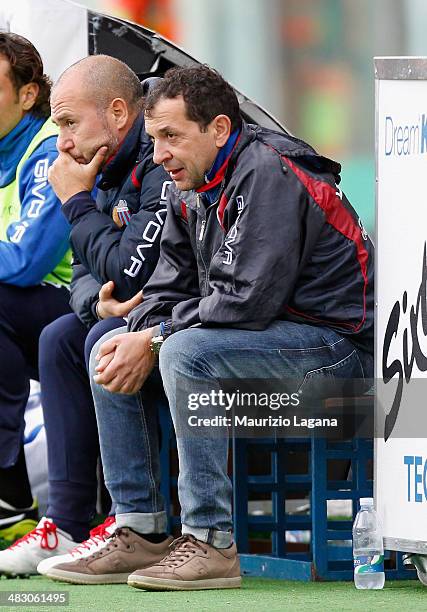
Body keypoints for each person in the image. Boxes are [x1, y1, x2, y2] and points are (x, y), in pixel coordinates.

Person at [53, 64, 374, 590]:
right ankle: (139, 529)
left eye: (172, 137)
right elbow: (165, 288)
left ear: (219, 129)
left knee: (183, 352)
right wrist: (143, 330)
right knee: (110, 345)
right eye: (154, 138)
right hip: (269, 342)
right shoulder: (191, 182)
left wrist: (156, 338)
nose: (158, 155)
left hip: (339, 351)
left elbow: (248, 302)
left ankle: (210, 541)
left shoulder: (268, 172)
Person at [0, 55, 174, 577]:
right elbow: (85, 272)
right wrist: (93, 299)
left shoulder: (153, 161)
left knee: (97, 337)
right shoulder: (102, 160)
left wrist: (76, 200)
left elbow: (126, 267)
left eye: (70, 123)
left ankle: (133, 522)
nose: (63, 142)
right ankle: (65, 522)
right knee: (64, 335)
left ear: (119, 113)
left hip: (179, 317)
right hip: (112, 311)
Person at [0, 32, 72, 547]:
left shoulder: (48, 149)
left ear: (27, 94)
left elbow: (27, 261)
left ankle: (9, 496)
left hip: (74, 310)